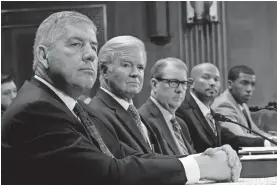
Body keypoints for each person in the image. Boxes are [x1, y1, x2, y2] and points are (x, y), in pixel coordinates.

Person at [1, 11, 241, 185]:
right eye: (76, 44)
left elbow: (129, 155)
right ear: (43, 56)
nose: (89, 55)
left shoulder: (69, 106)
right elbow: (108, 174)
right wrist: (201, 166)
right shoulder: (36, 109)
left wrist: (203, 157)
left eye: (93, 47)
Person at [176, 63, 265, 153]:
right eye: (206, 78)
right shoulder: (181, 110)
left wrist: (266, 142)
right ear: (191, 83)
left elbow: (232, 140)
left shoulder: (211, 114)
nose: (212, 83)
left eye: (216, 79)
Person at [139, 57, 195, 155]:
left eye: (184, 83)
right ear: (154, 84)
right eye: (173, 82)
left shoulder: (181, 124)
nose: (180, 89)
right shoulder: (142, 120)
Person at [212, 65, 275, 141]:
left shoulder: (243, 105)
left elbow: (256, 132)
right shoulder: (223, 105)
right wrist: (271, 141)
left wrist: (273, 138)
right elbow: (239, 138)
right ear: (230, 84)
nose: (249, 89)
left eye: (252, 84)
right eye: (244, 83)